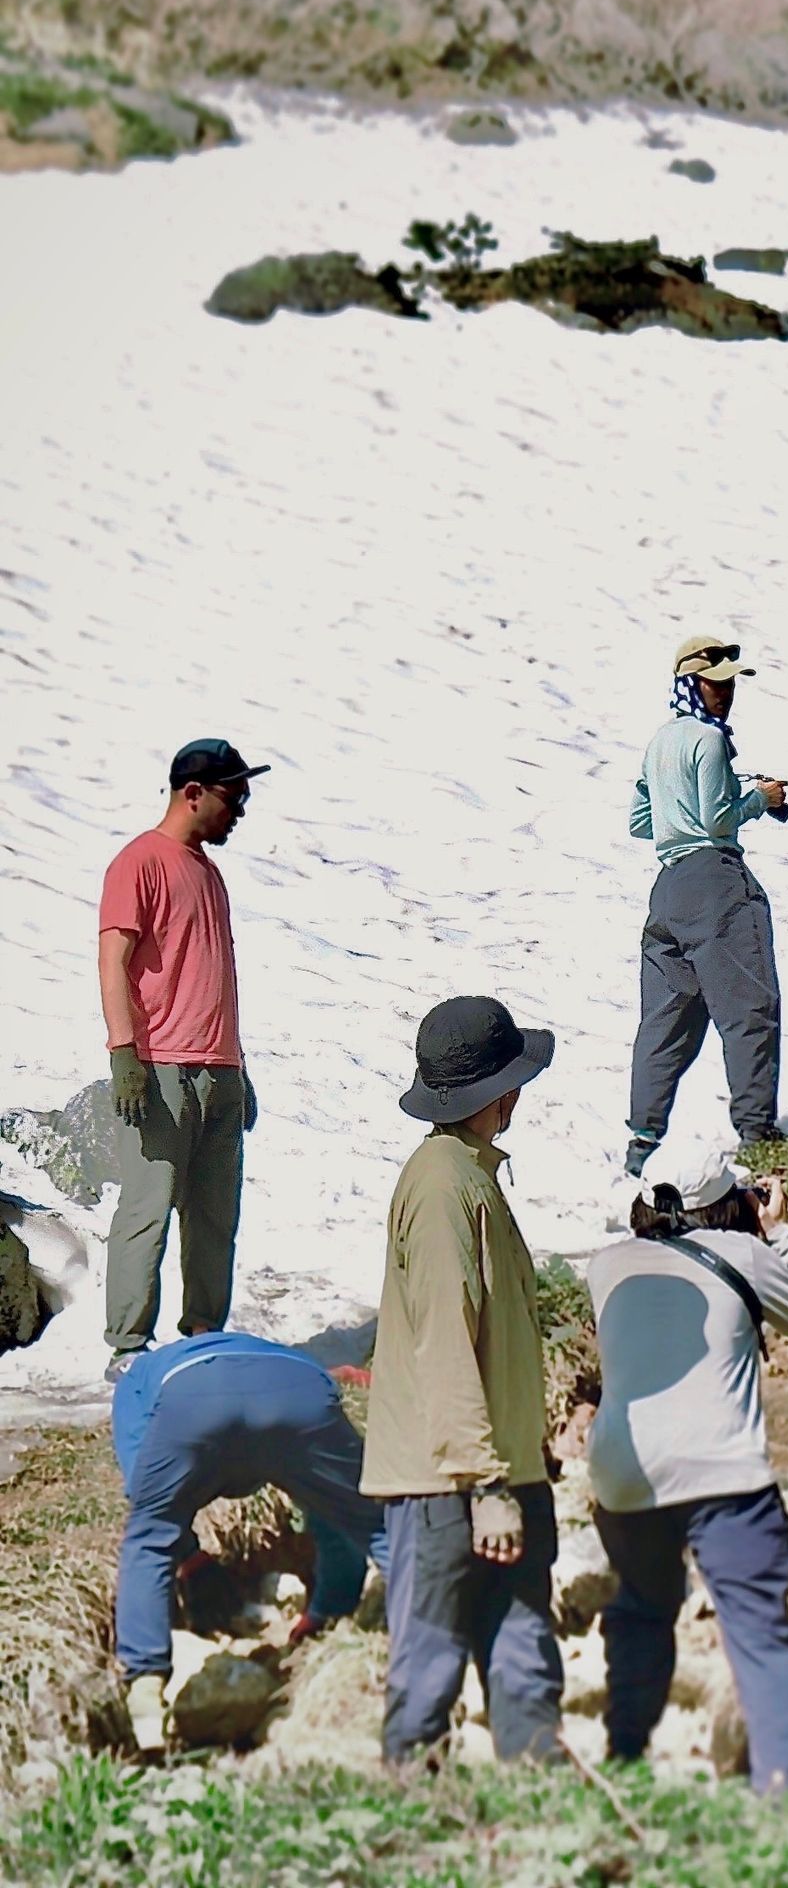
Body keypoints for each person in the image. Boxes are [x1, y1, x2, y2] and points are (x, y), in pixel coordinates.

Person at [584, 1141, 788, 1793]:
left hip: (625, 1476)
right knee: (759, 1632)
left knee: (644, 1608)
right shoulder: (747, 1254)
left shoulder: (605, 1265)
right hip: (723, 1472)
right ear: (730, 1203)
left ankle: (625, 1762)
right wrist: (779, 1234)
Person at [361, 996, 564, 1766]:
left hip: (497, 1472)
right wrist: (483, 1486)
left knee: (523, 1651)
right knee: (432, 1660)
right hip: (452, 1481)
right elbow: (445, 1341)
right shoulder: (445, 1187)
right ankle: (413, 1815)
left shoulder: (466, 1176)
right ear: (500, 1094)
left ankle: (535, 1813)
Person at [114, 1332, 387, 1748]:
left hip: (195, 1402)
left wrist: (187, 1556)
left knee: (148, 1539)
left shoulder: (135, 1382)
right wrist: (327, 1611)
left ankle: (146, 1696)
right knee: (374, 1520)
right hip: (300, 1391)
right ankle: (440, 1636)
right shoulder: (291, 1359)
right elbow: (336, 1516)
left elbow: (147, 1497)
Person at [98, 739, 270, 1383]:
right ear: (192, 793)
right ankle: (127, 1346)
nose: (241, 811)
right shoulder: (139, 862)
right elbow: (114, 961)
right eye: (234, 797)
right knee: (147, 1209)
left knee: (214, 1213)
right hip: (162, 1068)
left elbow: (213, 974)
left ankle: (204, 1332)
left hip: (219, 1069)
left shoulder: (209, 872)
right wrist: (124, 1054)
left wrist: (239, 1066)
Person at [627, 637, 787, 1179]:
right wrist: (762, 800)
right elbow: (720, 821)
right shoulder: (709, 741)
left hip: (666, 890)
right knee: (750, 1009)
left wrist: (679, 813)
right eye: (717, 682)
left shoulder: (659, 742)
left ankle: (642, 1144)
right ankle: (757, 1134)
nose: (727, 693)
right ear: (691, 681)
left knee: (664, 1023)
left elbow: (640, 822)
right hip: (715, 882)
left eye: (731, 682)